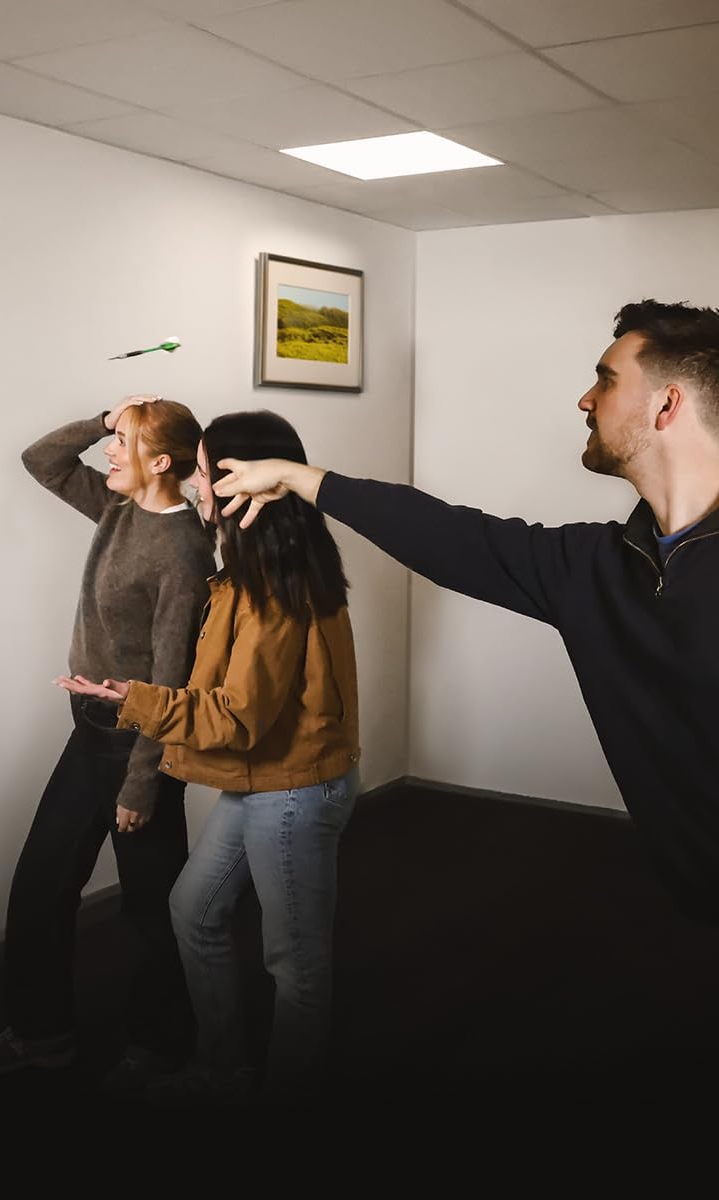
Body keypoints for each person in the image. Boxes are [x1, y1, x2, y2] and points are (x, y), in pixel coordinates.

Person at [211, 300, 719, 925]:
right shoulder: (603, 565)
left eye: (606, 381)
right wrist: (297, 477)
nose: (585, 400)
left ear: (667, 405)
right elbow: (455, 539)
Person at [58, 411, 361, 1105]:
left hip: (294, 791)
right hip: (261, 781)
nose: (195, 485)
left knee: (294, 963)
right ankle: (221, 1070)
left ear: (242, 480)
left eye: (202, 471)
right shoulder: (248, 571)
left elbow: (237, 718)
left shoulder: (272, 590)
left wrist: (134, 699)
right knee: (194, 911)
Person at [0, 395, 215, 1090]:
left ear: (159, 463)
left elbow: (171, 679)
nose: (109, 451)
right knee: (42, 884)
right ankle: (42, 1034)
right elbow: (41, 460)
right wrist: (108, 418)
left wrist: (142, 783)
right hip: (91, 732)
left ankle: (160, 1046)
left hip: (140, 741)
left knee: (151, 908)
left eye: (124, 443)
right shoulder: (117, 509)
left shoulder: (183, 551)